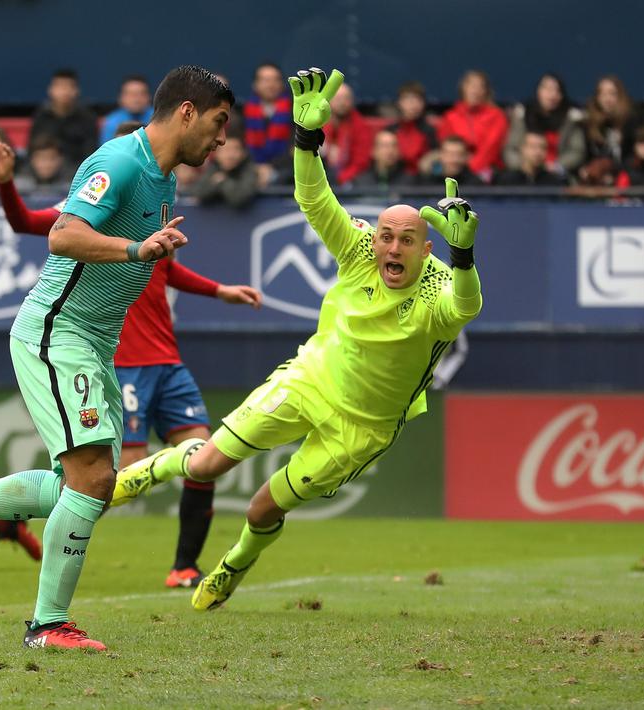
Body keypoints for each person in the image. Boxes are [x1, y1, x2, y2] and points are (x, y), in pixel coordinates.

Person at [110, 67, 483, 612]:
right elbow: (314, 200)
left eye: (407, 240)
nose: (392, 249)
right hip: (310, 380)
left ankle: (235, 562)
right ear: (374, 238)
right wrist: (307, 141)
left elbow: (465, 307)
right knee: (209, 463)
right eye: (386, 236)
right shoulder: (359, 250)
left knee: (263, 509)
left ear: (427, 249)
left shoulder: (441, 284)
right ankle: (152, 469)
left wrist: (465, 256)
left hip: (363, 427)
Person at [0, 65, 235, 652]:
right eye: (218, 122)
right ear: (187, 111)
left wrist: (155, 251)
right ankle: (48, 624)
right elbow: (62, 234)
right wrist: (137, 245)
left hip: (96, 344)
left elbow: (132, 250)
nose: (222, 138)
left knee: (86, 487)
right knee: (91, 479)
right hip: (58, 333)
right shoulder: (121, 162)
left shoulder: (163, 179)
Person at [0, 124, 261, 593]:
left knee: (206, 455)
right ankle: (7, 515)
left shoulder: (159, 199)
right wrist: (6, 182)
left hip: (166, 360)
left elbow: (167, 267)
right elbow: (35, 225)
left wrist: (220, 291)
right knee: (105, 479)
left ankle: (184, 565)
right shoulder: (99, 201)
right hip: (118, 356)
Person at [503, 73, 585, 177]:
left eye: (557, 91)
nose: (552, 95)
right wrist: (523, 167)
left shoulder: (572, 117)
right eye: (547, 89)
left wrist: (556, 166)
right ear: (539, 91)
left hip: (558, 173)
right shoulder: (523, 114)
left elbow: (577, 151)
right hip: (523, 172)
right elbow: (510, 149)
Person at [437, 70, 508, 180]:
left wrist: (471, 168)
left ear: (486, 91)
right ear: (463, 88)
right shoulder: (450, 116)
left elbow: (491, 147)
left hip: (487, 169)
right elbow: (446, 145)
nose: (475, 91)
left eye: (480, 87)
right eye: (471, 86)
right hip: (455, 165)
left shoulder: (497, 116)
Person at [578, 75, 639, 186]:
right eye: (602, 94)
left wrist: (614, 171)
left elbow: (634, 158)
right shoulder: (588, 122)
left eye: (612, 93)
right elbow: (584, 155)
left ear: (620, 96)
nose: (607, 98)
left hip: (624, 178)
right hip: (594, 180)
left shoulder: (630, 121)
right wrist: (584, 169)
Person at [29, 69, 99, 165]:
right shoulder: (41, 116)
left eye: (69, 86)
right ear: (50, 90)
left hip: (77, 173)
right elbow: (31, 151)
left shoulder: (88, 118)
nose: (64, 91)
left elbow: (90, 154)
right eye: (60, 86)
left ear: (77, 91)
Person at [242, 62, 292, 185]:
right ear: (255, 85)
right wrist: (257, 167)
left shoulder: (296, 111)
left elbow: (296, 147)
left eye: (275, 80)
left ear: (282, 84)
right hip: (250, 171)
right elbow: (237, 146)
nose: (271, 85)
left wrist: (271, 167)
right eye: (265, 80)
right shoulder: (242, 113)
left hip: (286, 174)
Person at [322, 81, 372, 185]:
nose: (342, 103)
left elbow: (361, 162)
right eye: (338, 98)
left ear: (352, 101)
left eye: (346, 98)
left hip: (349, 179)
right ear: (329, 100)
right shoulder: (318, 122)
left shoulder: (360, 126)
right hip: (320, 175)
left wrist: (340, 178)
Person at [190, 134, 258, 208]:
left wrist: (223, 182)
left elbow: (241, 198)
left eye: (236, 149)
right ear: (217, 154)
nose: (230, 155)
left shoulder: (248, 168)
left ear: (243, 153)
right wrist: (214, 185)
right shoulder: (214, 167)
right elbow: (198, 192)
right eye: (226, 150)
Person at [387, 81, 438, 176]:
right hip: (394, 179)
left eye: (417, 99)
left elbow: (436, 161)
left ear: (423, 104)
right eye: (408, 99)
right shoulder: (390, 131)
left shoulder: (429, 131)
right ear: (399, 103)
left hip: (421, 181)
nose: (413, 104)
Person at [495, 132, 568, 187]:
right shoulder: (506, 180)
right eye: (533, 147)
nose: (538, 152)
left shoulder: (554, 182)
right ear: (522, 149)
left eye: (542, 147)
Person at [349, 129, 415, 189]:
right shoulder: (361, 182)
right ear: (373, 151)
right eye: (385, 146)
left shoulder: (410, 183)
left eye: (394, 145)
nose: (390, 151)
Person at [99, 76, 154, 145]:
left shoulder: (159, 119)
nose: (137, 99)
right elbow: (106, 151)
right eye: (131, 94)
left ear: (149, 97)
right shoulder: (110, 123)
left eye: (141, 94)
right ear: (121, 98)